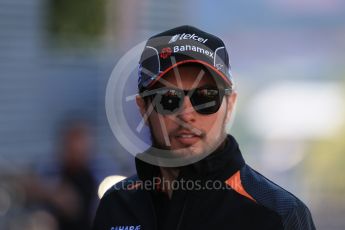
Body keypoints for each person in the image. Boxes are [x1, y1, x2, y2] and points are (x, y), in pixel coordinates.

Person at [93, 25, 315, 230]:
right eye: (168, 98)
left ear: (230, 105)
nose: (186, 114)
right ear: (143, 107)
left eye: (206, 98)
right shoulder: (116, 205)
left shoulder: (279, 214)